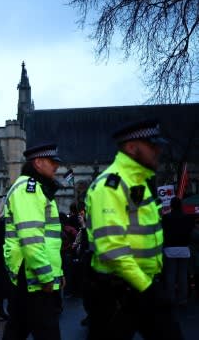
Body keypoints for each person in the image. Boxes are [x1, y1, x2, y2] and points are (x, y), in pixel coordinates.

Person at [85, 120, 183, 339]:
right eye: (151, 145)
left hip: (142, 284)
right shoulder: (110, 185)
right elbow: (111, 248)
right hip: (117, 291)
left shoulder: (140, 183)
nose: (158, 150)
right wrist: (148, 288)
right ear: (131, 147)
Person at [2, 143, 64, 340]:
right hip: (32, 275)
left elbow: (50, 240)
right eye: (52, 162)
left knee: (17, 328)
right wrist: (46, 276)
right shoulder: (29, 189)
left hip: (31, 273)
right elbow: (31, 239)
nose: (56, 166)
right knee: (48, 332)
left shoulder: (37, 189)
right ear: (38, 163)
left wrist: (58, 272)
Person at [163, 196, 194, 307]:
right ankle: (183, 299)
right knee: (183, 275)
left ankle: (171, 298)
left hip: (170, 249)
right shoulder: (188, 218)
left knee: (171, 274)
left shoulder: (166, 218)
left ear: (171, 206)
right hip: (184, 249)